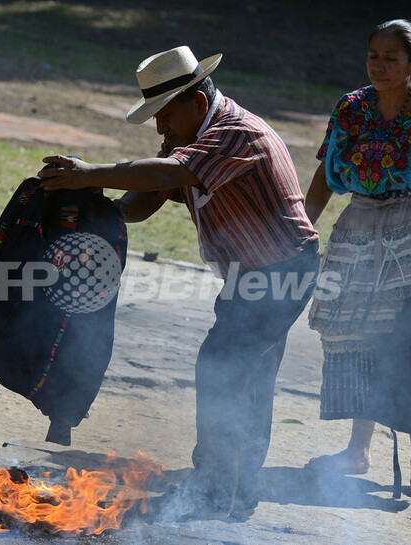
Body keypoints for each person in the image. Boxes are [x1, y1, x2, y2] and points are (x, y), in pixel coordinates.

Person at [37, 45, 319, 518]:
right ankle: (237, 494)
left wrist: (89, 176)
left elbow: (172, 173)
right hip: (253, 275)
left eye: (165, 115)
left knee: (221, 369)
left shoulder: (236, 134)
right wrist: (109, 213)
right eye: (157, 119)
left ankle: (211, 492)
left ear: (199, 104)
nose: (160, 128)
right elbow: (156, 189)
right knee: (249, 380)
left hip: (282, 270)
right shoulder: (189, 135)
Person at [303, 19, 411, 497]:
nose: (379, 64)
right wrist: (299, 228)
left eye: (391, 57)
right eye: (373, 54)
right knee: (358, 340)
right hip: (357, 231)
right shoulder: (352, 109)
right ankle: (357, 451)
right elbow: (325, 175)